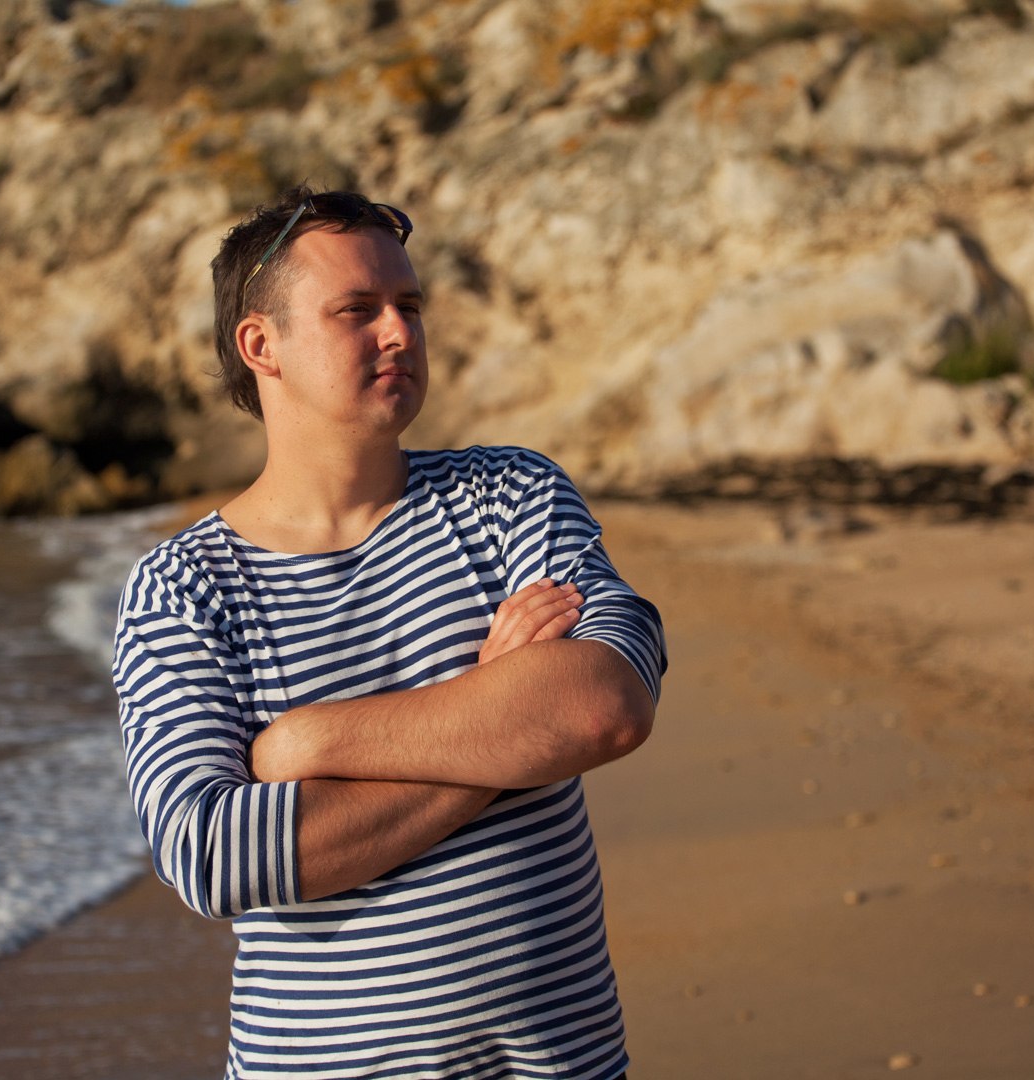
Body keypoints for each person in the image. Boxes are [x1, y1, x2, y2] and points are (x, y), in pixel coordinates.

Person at [112, 186, 666, 1080]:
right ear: (261, 345)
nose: (399, 333)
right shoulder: (185, 588)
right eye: (357, 310)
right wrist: (500, 720)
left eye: (409, 305)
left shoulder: (509, 496)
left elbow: (605, 705)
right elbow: (209, 855)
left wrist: (309, 744)